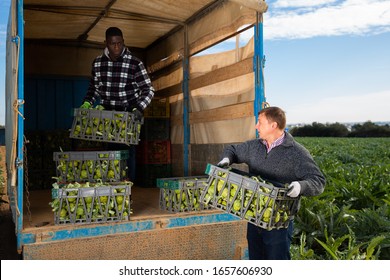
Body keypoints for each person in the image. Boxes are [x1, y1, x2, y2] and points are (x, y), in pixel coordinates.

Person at [217, 106, 325, 260]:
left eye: (260, 122)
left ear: (273, 125)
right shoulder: (254, 146)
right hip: (254, 215)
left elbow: (318, 181)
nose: (256, 126)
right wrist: (227, 159)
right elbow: (233, 150)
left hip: (279, 222)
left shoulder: (296, 153)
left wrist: (301, 186)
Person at [80, 27, 155, 181]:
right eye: (112, 44)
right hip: (107, 115)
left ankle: (127, 192)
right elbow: (94, 88)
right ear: (106, 43)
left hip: (128, 114)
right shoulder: (98, 63)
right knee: (109, 153)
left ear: (123, 42)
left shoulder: (135, 63)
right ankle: (111, 191)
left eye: (119, 43)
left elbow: (148, 89)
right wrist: (87, 103)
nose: (116, 47)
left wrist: (139, 107)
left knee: (127, 153)